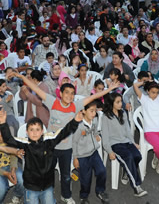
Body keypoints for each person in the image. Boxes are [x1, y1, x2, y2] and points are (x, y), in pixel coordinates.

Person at [7, 70, 118, 204]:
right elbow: (35, 87)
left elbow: (94, 97)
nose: (70, 96)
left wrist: (109, 89)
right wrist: (21, 75)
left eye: (72, 93)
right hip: (50, 146)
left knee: (66, 175)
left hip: (67, 148)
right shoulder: (52, 102)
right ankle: (47, 192)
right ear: (60, 94)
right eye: (67, 93)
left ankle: (66, 195)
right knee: (47, 172)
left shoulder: (76, 106)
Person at [0, 106, 83, 204]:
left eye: (37, 129)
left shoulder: (49, 140)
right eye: (31, 130)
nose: (34, 133)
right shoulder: (25, 143)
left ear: (42, 131)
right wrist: (3, 123)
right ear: (27, 132)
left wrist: (75, 121)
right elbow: (9, 139)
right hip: (31, 187)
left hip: (47, 186)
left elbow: (63, 133)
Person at [102, 92, 148, 197]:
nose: (120, 104)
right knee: (128, 157)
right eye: (117, 102)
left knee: (137, 156)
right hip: (115, 145)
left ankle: (126, 170)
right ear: (111, 103)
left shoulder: (123, 113)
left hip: (126, 141)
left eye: (121, 101)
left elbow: (128, 130)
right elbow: (105, 136)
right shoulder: (106, 117)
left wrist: (133, 142)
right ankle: (137, 187)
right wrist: (109, 151)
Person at [72, 101, 109, 204]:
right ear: (84, 111)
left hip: (93, 152)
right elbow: (74, 142)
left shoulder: (95, 120)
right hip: (82, 156)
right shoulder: (79, 126)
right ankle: (84, 196)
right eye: (91, 111)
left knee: (102, 171)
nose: (94, 113)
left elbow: (95, 131)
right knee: (85, 178)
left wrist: (96, 135)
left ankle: (100, 191)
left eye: (95, 111)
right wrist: (75, 158)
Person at [0, 120, 25, 204]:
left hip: (10, 166)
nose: (2, 133)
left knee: (23, 180)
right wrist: (5, 173)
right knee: (1, 189)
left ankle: (17, 195)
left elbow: (13, 156)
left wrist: (13, 169)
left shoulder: (9, 142)